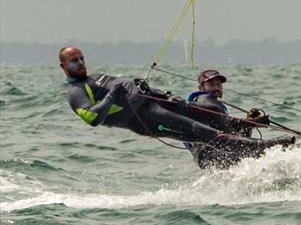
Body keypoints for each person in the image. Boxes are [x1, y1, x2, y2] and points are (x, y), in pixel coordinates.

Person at [59, 45, 288, 169]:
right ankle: (263, 150)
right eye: (73, 61)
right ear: (63, 66)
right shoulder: (76, 92)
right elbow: (91, 118)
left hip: (156, 103)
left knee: (212, 115)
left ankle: (253, 138)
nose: (80, 63)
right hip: (145, 119)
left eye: (81, 58)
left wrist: (164, 94)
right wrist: (110, 97)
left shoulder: (96, 77)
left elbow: (134, 89)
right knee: (200, 130)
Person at [183, 69, 291, 167]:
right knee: (248, 132)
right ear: (201, 88)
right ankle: (273, 148)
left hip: (209, 158)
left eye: (219, 84)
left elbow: (225, 127)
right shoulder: (204, 99)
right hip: (212, 153)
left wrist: (249, 123)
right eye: (211, 84)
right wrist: (252, 122)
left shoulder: (206, 102)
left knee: (243, 130)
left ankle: (257, 152)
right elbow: (224, 122)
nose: (216, 88)